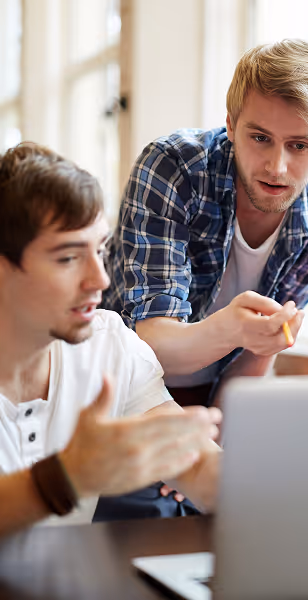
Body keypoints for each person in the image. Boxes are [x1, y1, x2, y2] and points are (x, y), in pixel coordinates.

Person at [102, 38, 308, 407]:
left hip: (215, 389)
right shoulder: (173, 169)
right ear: (231, 124)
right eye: (259, 138)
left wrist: (222, 437)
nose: (277, 166)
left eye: (299, 145)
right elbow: (151, 344)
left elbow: (255, 356)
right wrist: (235, 329)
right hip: (113, 382)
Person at [0, 142, 221, 535]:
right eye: (68, 257)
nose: (100, 279)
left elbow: (197, 466)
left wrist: (276, 497)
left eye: (100, 250)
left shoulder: (109, 343)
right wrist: (66, 477)